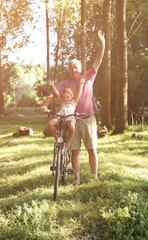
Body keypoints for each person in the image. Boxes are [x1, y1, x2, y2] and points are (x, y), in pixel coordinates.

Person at [40, 30, 105, 186]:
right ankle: (77, 179)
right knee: (74, 151)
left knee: (92, 149)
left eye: (76, 67)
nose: (74, 70)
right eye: (71, 68)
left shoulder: (88, 76)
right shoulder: (64, 84)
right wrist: (45, 105)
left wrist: (102, 43)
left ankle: (94, 177)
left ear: (80, 68)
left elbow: (98, 60)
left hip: (88, 118)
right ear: (68, 70)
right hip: (71, 121)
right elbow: (52, 95)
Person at [48, 78, 85, 149]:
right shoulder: (62, 103)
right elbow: (57, 93)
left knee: (72, 126)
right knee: (50, 124)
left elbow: (78, 93)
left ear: (72, 97)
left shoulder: (74, 103)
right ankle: (57, 138)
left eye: (68, 97)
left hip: (69, 119)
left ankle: (69, 140)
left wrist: (81, 84)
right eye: (64, 97)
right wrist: (53, 85)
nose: (66, 99)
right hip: (60, 118)